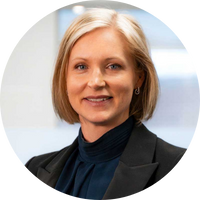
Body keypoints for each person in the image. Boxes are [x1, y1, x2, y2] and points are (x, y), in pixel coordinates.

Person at [22, 8, 189, 200]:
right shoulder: (34, 169)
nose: (95, 82)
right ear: (65, 78)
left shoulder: (175, 165)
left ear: (139, 78)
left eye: (113, 66)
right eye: (81, 66)